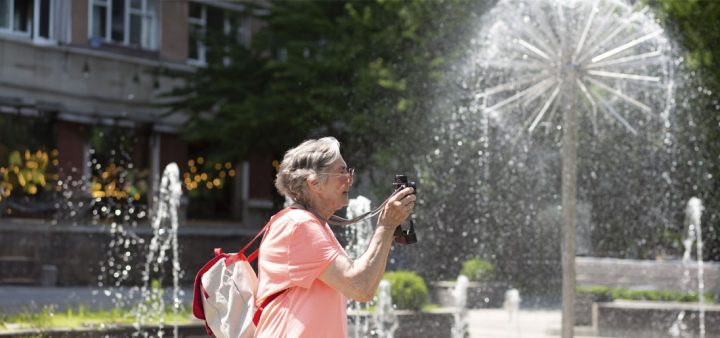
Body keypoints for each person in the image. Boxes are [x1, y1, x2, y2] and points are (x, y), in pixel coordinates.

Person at [254, 137, 415, 338]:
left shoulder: (312, 224)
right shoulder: (300, 225)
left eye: (349, 171)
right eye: (341, 172)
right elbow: (360, 286)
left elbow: (364, 285)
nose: (349, 179)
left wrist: (388, 228)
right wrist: (386, 226)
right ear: (314, 183)